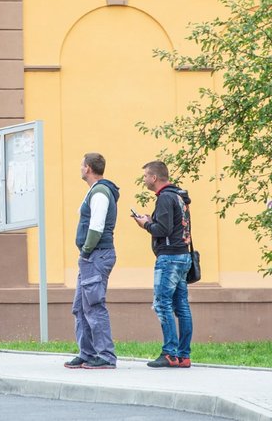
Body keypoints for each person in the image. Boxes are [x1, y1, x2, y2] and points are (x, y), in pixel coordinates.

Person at [131, 160, 194, 368]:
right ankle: (183, 355)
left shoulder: (165, 198)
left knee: (162, 304)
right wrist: (152, 220)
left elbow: (163, 230)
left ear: (154, 178)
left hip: (169, 258)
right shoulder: (179, 196)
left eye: (146, 176)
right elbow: (174, 226)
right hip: (183, 255)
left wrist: (145, 224)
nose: (145, 180)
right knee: (182, 307)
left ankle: (169, 353)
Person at [64, 152, 119, 370]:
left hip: (96, 255)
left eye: (81, 165)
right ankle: (86, 353)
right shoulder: (95, 191)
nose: (80, 168)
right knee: (80, 307)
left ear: (88, 168)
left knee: (94, 306)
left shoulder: (100, 193)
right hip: (91, 257)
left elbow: (96, 227)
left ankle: (105, 356)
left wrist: (86, 251)